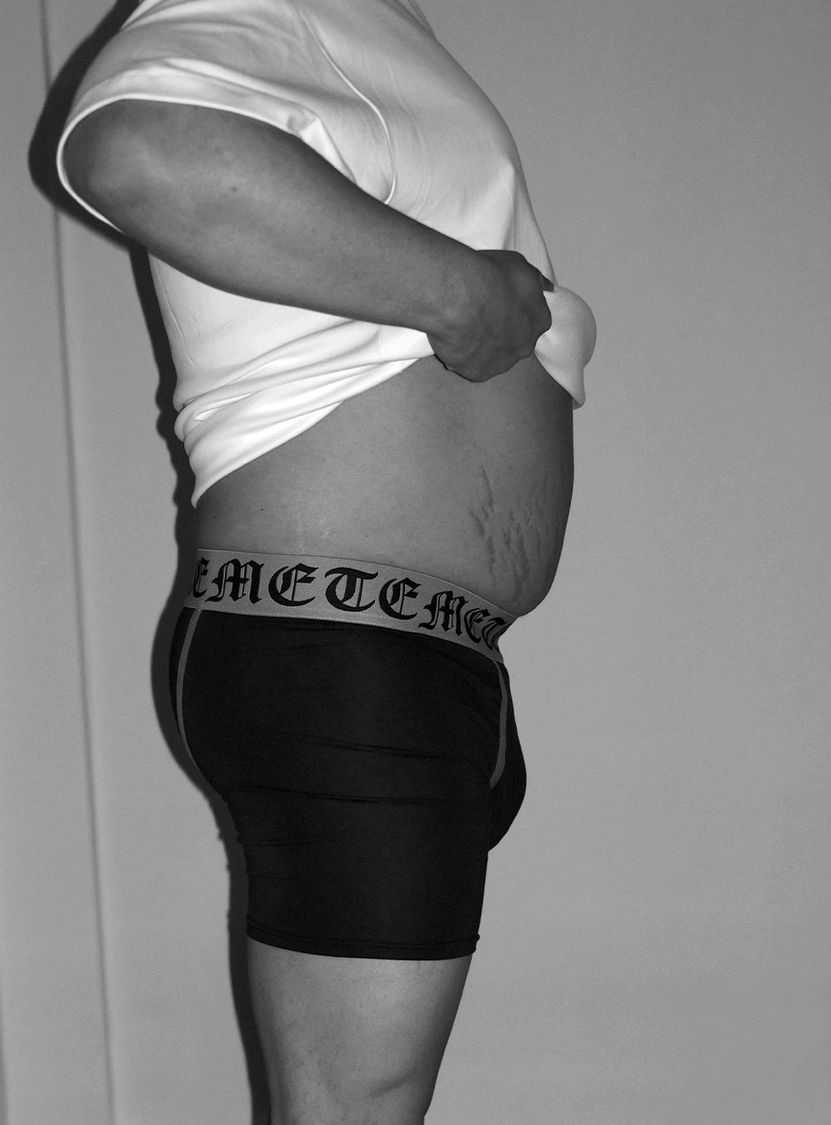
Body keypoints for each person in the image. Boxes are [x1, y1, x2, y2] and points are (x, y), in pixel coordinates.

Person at [56, 0, 595, 1121]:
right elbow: (135, 148)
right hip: (343, 653)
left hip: (417, 663)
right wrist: (459, 291)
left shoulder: (383, 33)